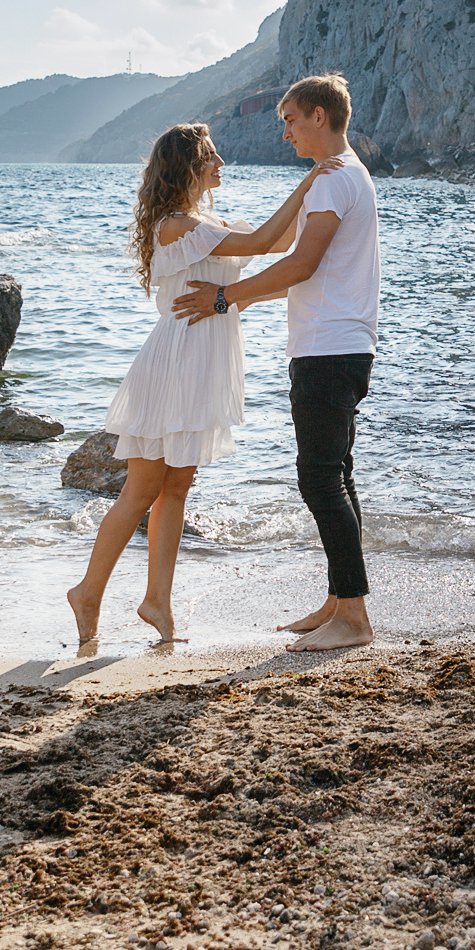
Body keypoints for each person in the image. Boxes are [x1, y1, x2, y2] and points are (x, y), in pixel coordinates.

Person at [65, 122, 341, 657]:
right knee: (142, 490)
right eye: (212, 157)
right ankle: (88, 592)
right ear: (187, 166)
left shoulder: (207, 224)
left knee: (177, 487)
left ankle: (156, 602)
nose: (221, 165)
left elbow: (278, 241)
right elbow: (263, 239)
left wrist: (320, 198)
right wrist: (309, 181)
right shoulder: (176, 225)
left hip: (197, 361)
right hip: (177, 363)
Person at [174, 72, 381, 652]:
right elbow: (291, 258)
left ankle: (355, 620)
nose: (286, 131)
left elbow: (300, 265)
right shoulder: (344, 177)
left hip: (328, 346)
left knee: (319, 479)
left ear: (320, 116)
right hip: (342, 342)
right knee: (337, 474)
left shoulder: (332, 183)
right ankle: (342, 600)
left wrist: (224, 297)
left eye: (291, 119)